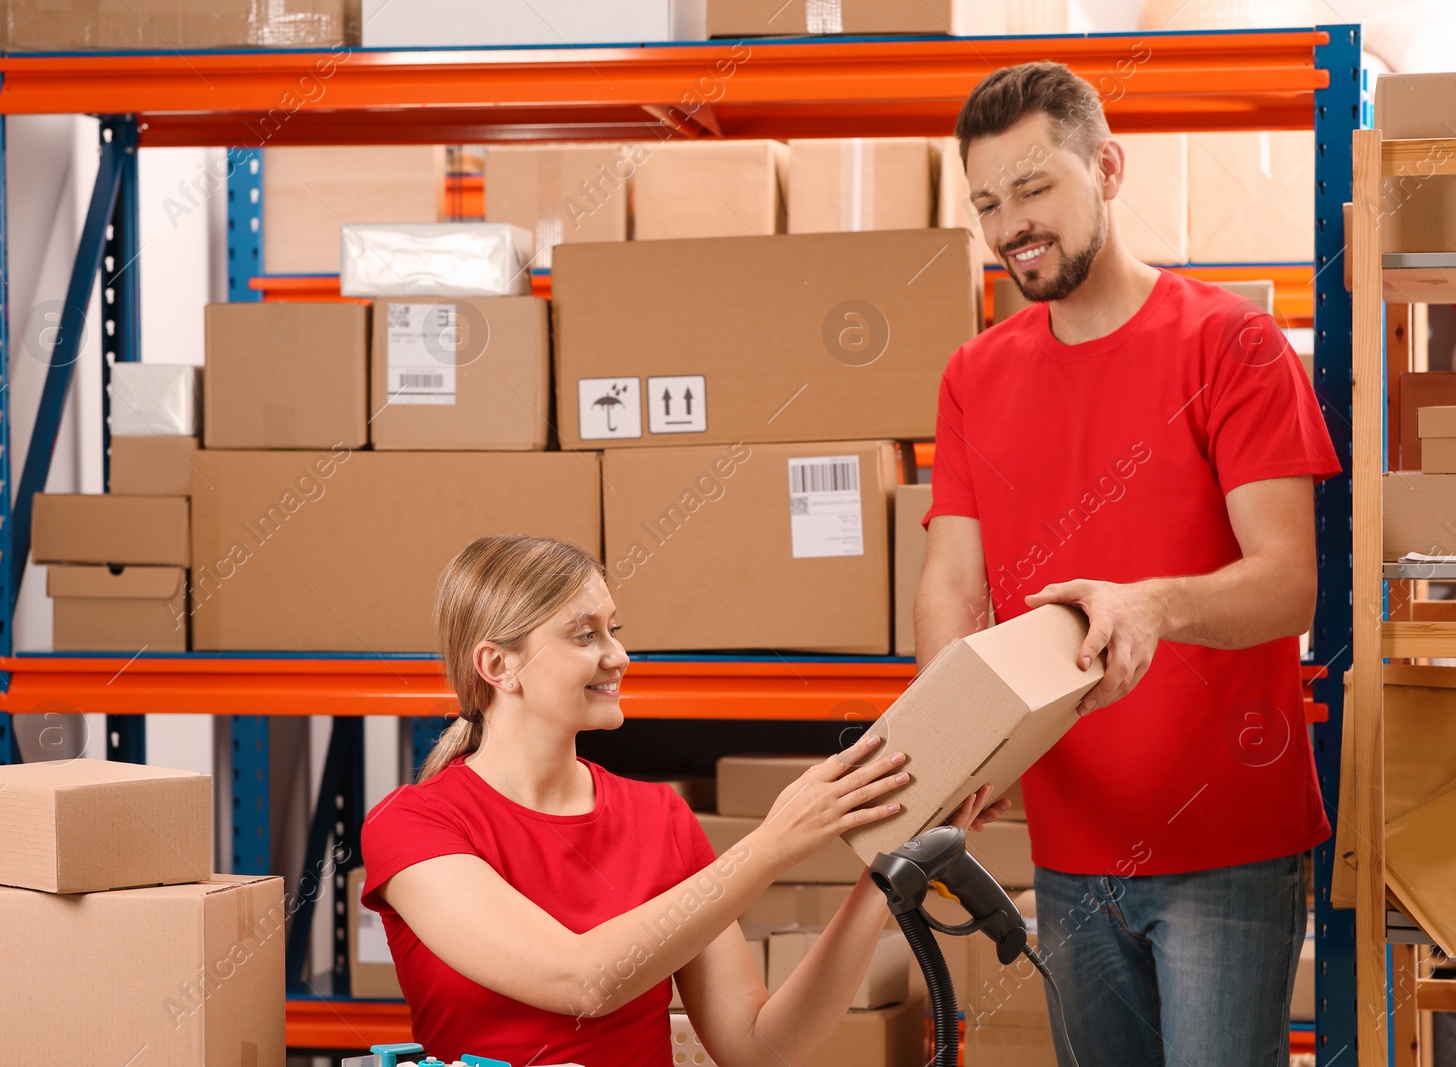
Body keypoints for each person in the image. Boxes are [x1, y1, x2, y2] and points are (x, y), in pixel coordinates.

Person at [916, 62, 1341, 1066]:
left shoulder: (1229, 344)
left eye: (1033, 189)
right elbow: (952, 580)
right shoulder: (974, 374)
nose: (1011, 222)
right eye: (986, 203)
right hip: (1070, 843)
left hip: (1225, 845)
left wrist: (1148, 603)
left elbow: (1288, 581)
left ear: (1105, 167)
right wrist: (953, 741)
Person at [360, 534, 1000, 1067]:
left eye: (614, 630)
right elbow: (580, 981)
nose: (619, 656)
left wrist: (881, 876)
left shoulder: (658, 817)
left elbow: (760, 1049)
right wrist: (772, 843)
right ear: (498, 666)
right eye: (585, 636)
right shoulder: (415, 826)